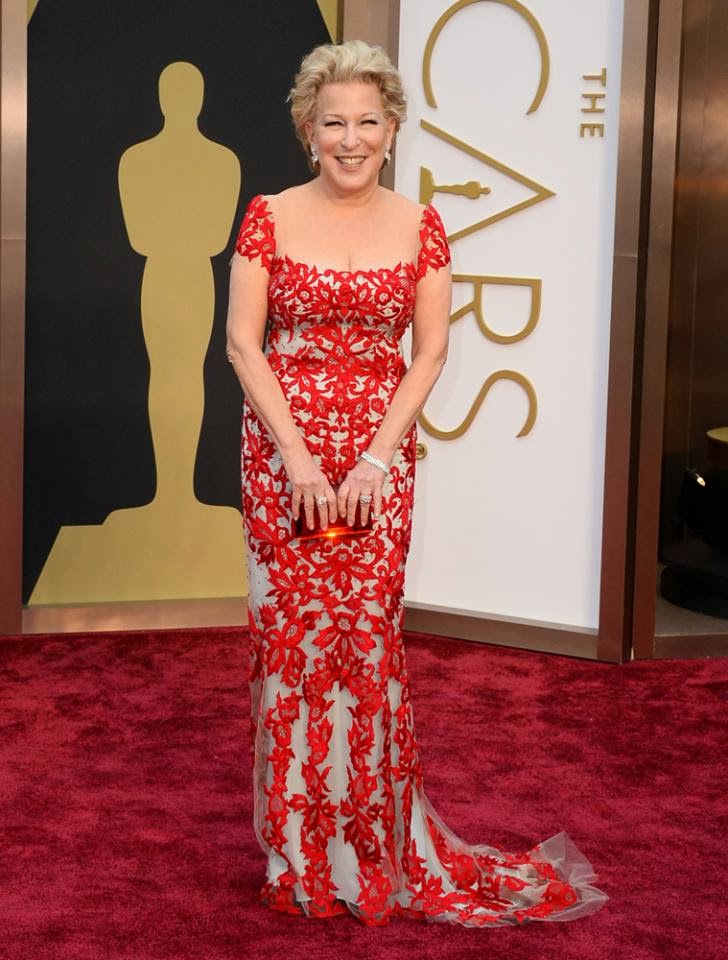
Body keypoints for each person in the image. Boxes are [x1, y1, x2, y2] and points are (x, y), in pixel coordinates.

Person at [226, 39, 607, 927]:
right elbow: (244, 343)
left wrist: (371, 460)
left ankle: (370, 849)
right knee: (292, 649)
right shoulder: (268, 216)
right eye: (333, 123)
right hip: (284, 459)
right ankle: (299, 853)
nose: (351, 139)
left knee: (365, 647)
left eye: (368, 121)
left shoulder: (421, 225)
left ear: (393, 129)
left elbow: (429, 352)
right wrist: (300, 459)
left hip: (377, 465)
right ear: (307, 129)